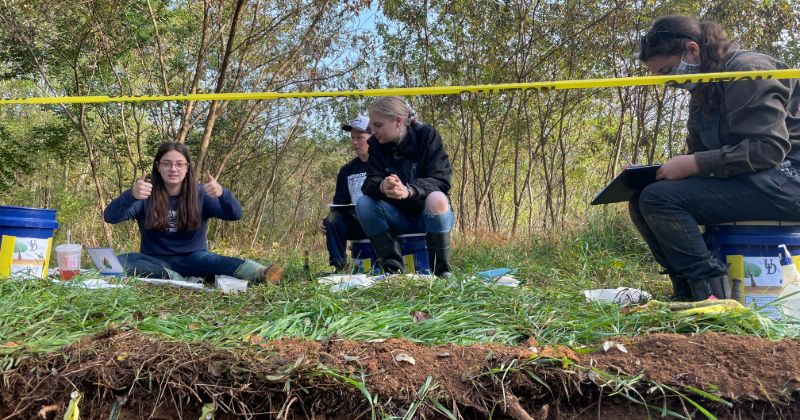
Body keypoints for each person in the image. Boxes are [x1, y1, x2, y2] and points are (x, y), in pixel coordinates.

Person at [634, 15, 800, 301]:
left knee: (658, 199)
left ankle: (711, 293)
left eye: (668, 71)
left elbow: (768, 148)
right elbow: (698, 151)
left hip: (788, 181)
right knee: (642, 199)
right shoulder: (704, 89)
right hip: (756, 181)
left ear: (693, 50)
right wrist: (663, 170)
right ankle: (685, 291)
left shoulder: (747, 71)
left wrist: (695, 164)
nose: (669, 83)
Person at [103, 142, 283, 284]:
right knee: (124, 260)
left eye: (179, 164)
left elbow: (235, 215)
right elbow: (110, 217)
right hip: (155, 261)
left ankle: (261, 273)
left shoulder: (201, 193)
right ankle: (176, 277)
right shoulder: (144, 195)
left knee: (215, 261)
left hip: (195, 258)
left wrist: (223, 194)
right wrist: (131, 195)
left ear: (187, 167)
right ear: (158, 167)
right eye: (167, 164)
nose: (173, 169)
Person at [357, 96, 455, 277]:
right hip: (396, 217)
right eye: (372, 126)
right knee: (363, 203)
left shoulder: (427, 136)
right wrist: (382, 186)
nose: (373, 131)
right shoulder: (375, 145)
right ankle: (392, 271)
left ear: (398, 121)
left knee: (437, 198)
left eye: (378, 125)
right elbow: (369, 182)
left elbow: (441, 180)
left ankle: (441, 273)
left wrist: (409, 190)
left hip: (428, 216)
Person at [320, 115, 370, 271]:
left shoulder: (385, 163)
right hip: (357, 222)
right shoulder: (346, 170)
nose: (355, 142)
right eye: (353, 138)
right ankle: (339, 267)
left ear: (374, 137)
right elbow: (339, 204)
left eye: (360, 137)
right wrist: (328, 221)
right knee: (332, 218)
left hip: (382, 220)